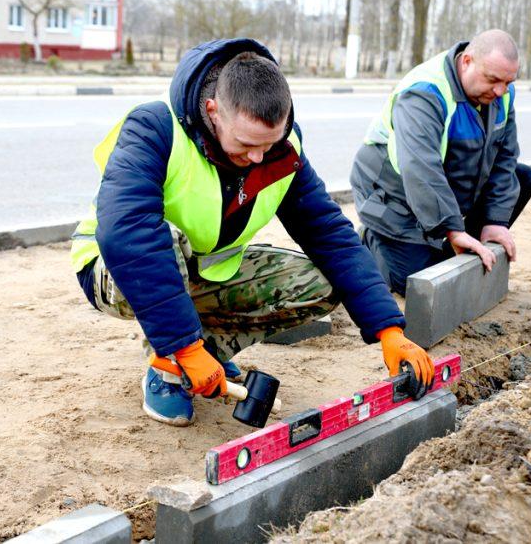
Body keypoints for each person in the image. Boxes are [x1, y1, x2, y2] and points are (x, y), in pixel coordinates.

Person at [70, 38, 434, 426]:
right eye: (246, 144)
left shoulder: (281, 148)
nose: (259, 157)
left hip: (203, 270)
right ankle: (171, 367)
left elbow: (328, 232)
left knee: (322, 283)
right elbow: (127, 231)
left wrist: (388, 328)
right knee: (161, 238)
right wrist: (183, 344)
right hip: (116, 268)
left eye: (268, 144)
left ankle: (208, 352)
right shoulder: (155, 128)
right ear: (213, 111)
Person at [350, 29, 531, 296]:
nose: (500, 90)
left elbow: (504, 158)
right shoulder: (425, 93)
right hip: (393, 193)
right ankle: (371, 239)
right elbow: (420, 168)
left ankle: (450, 246)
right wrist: (452, 230)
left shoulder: (501, 93)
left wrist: (496, 220)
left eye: (508, 82)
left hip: (440, 183)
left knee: (523, 178)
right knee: (412, 282)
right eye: (493, 79)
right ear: (467, 62)